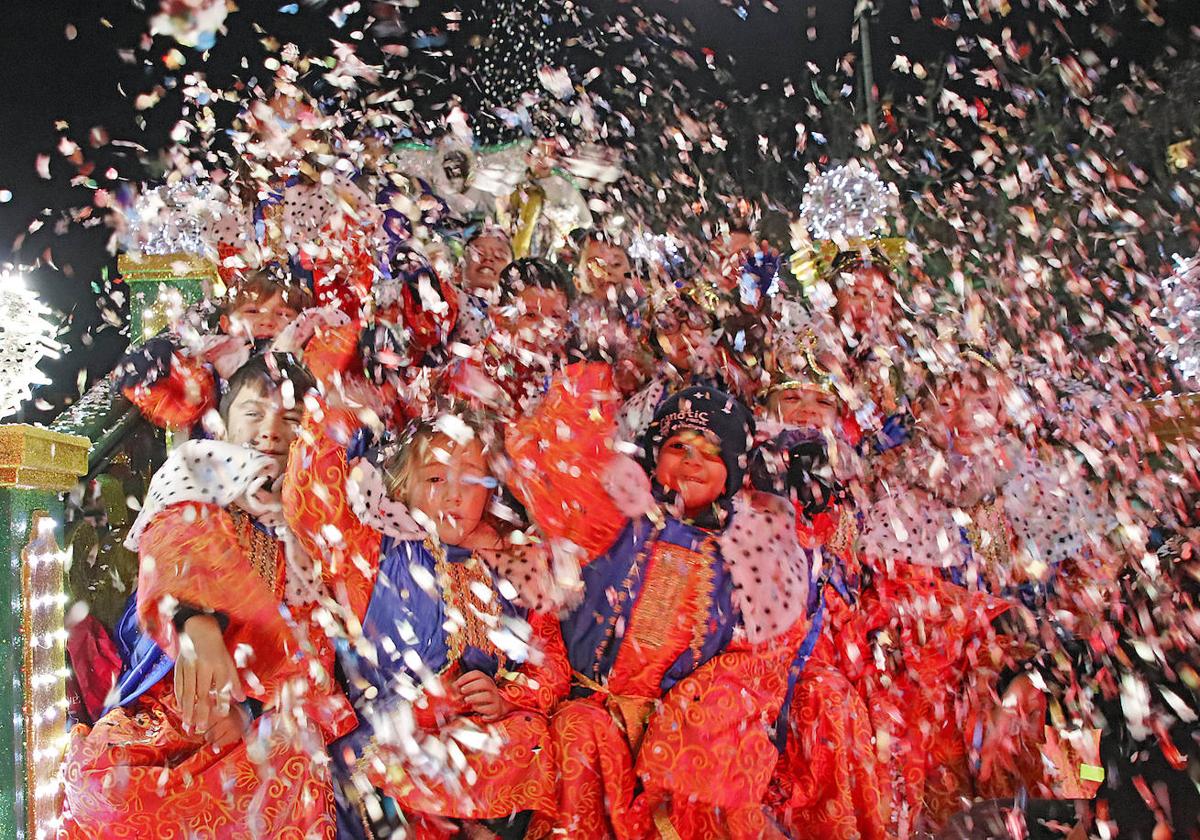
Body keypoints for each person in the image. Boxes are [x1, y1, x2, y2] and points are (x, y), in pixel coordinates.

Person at [507, 370, 813, 838]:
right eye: (678, 447)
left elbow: (754, 665)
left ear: (732, 469)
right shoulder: (618, 520)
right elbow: (563, 470)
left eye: (711, 453)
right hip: (592, 716)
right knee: (578, 739)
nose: (692, 461)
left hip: (679, 735)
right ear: (654, 455)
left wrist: (680, 724)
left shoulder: (747, 557)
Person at [59, 353, 353, 839]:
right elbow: (175, 541)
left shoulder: (311, 532)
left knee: (297, 766)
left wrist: (249, 711)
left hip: (253, 726)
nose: (272, 431)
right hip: (167, 706)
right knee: (103, 790)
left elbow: (312, 651)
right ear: (223, 425)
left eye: (292, 419)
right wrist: (195, 621)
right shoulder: (197, 481)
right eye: (254, 413)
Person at [283, 397, 572, 839]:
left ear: (491, 488)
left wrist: (509, 697)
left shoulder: (515, 563)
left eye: (470, 480)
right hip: (390, 748)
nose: (453, 494)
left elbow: (549, 661)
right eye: (435, 477)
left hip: (487, 755)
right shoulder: (371, 552)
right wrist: (339, 403)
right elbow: (310, 500)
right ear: (402, 486)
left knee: (530, 742)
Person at [116, 264, 312, 431]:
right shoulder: (212, 363)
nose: (267, 321)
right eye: (252, 311)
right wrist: (147, 365)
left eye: (283, 314)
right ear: (226, 324)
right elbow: (178, 404)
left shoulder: (308, 360)